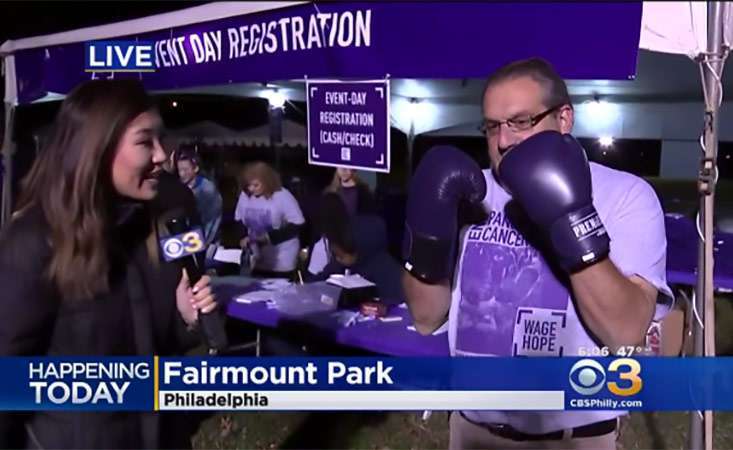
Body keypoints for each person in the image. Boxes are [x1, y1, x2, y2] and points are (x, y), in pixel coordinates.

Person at [401, 58, 673, 449]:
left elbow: (625, 334)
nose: (503, 140)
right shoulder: (469, 194)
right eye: (492, 126)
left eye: (520, 121)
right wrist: (426, 238)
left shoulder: (626, 196)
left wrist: (571, 220)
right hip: (472, 431)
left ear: (564, 119)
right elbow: (426, 318)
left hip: (573, 439)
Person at [0, 79, 218, 449]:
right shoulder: (35, 242)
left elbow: (148, 353)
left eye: (161, 139)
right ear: (97, 148)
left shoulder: (151, 229)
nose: (162, 155)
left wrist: (184, 320)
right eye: (145, 142)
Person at [306, 193, 404, 303]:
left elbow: (397, 300)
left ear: (356, 249)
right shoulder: (339, 264)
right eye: (336, 256)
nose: (338, 260)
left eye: (341, 257)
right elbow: (321, 279)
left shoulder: (386, 270)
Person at [234, 161, 305, 278]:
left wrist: (268, 238)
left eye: (256, 185)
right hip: (256, 258)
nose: (251, 189)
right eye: (248, 185)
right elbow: (239, 219)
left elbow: (297, 225)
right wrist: (243, 237)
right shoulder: (245, 195)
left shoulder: (283, 196)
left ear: (266, 181)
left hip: (281, 258)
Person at [176, 149, 223, 254]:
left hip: (205, 243)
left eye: (185, 169)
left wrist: (199, 245)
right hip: (184, 242)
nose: (182, 173)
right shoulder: (178, 187)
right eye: (179, 170)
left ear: (196, 168)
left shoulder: (208, 190)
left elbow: (212, 222)